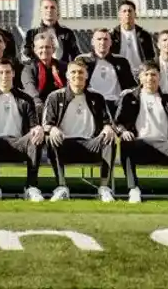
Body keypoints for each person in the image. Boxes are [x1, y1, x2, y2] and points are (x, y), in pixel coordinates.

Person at [115, 61, 168, 204]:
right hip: (141, 146)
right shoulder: (130, 98)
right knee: (126, 142)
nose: (150, 78)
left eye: (153, 74)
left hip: (165, 146)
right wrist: (123, 131)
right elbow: (118, 123)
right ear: (140, 77)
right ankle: (133, 189)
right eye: (146, 75)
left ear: (159, 77)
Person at [42, 58, 117, 202]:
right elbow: (46, 124)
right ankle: (62, 187)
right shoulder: (55, 97)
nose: (77, 75)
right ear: (67, 76)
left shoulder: (97, 97)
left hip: (91, 144)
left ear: (87, 75)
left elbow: (108, 121)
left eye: (81, 72)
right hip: (65, 144)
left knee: (110, 138)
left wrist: (108, 127)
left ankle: (104, 188)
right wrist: (52, 129)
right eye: (73, 72)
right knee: (50, 138)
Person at [0, 58, 45, 202]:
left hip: (19, 143)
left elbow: (33, 124)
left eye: (7, 72)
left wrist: (38, 128)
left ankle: (31, 187)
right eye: (0, 72)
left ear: (13, 74)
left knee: (36, 137)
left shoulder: (25, 98)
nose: (4, 76)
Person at [77, 28, 137, 116]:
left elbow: (131, 85)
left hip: (115, 105)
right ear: (92, 42)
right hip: (92, 105)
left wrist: (127, 93)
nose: (102, 42)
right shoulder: (82, 60)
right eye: (99, 39)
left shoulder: (121, 61)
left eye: (106, 39)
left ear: (111, 42)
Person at [20, 0, 80, 64]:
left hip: (61, 71)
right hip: (39, 71)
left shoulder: (67, 33)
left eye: (52, 7)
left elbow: (75, 55)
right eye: (46, 7)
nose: (49, 10)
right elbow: (25, 56)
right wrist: (40, 65)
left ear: (57, 12)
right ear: (40, 12)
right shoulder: (31, 34)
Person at [20, 33, 67, 117]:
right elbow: (30, 88)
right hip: (38, 108)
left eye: (47, 47)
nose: (44, 50)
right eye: (41, 47)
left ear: (53, 49)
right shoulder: (29, 69)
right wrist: (39, 104)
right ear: (35, 50)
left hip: (61, 106)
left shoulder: (63, 66)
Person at [110, 0, 154, 75]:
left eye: (130, 11)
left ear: (135, 14)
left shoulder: (144, 35)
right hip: (119, 74)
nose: (127, 13)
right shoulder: (112, 35)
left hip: (140, 75)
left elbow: (150, 57)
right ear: (119, 15)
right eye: (124, 11)